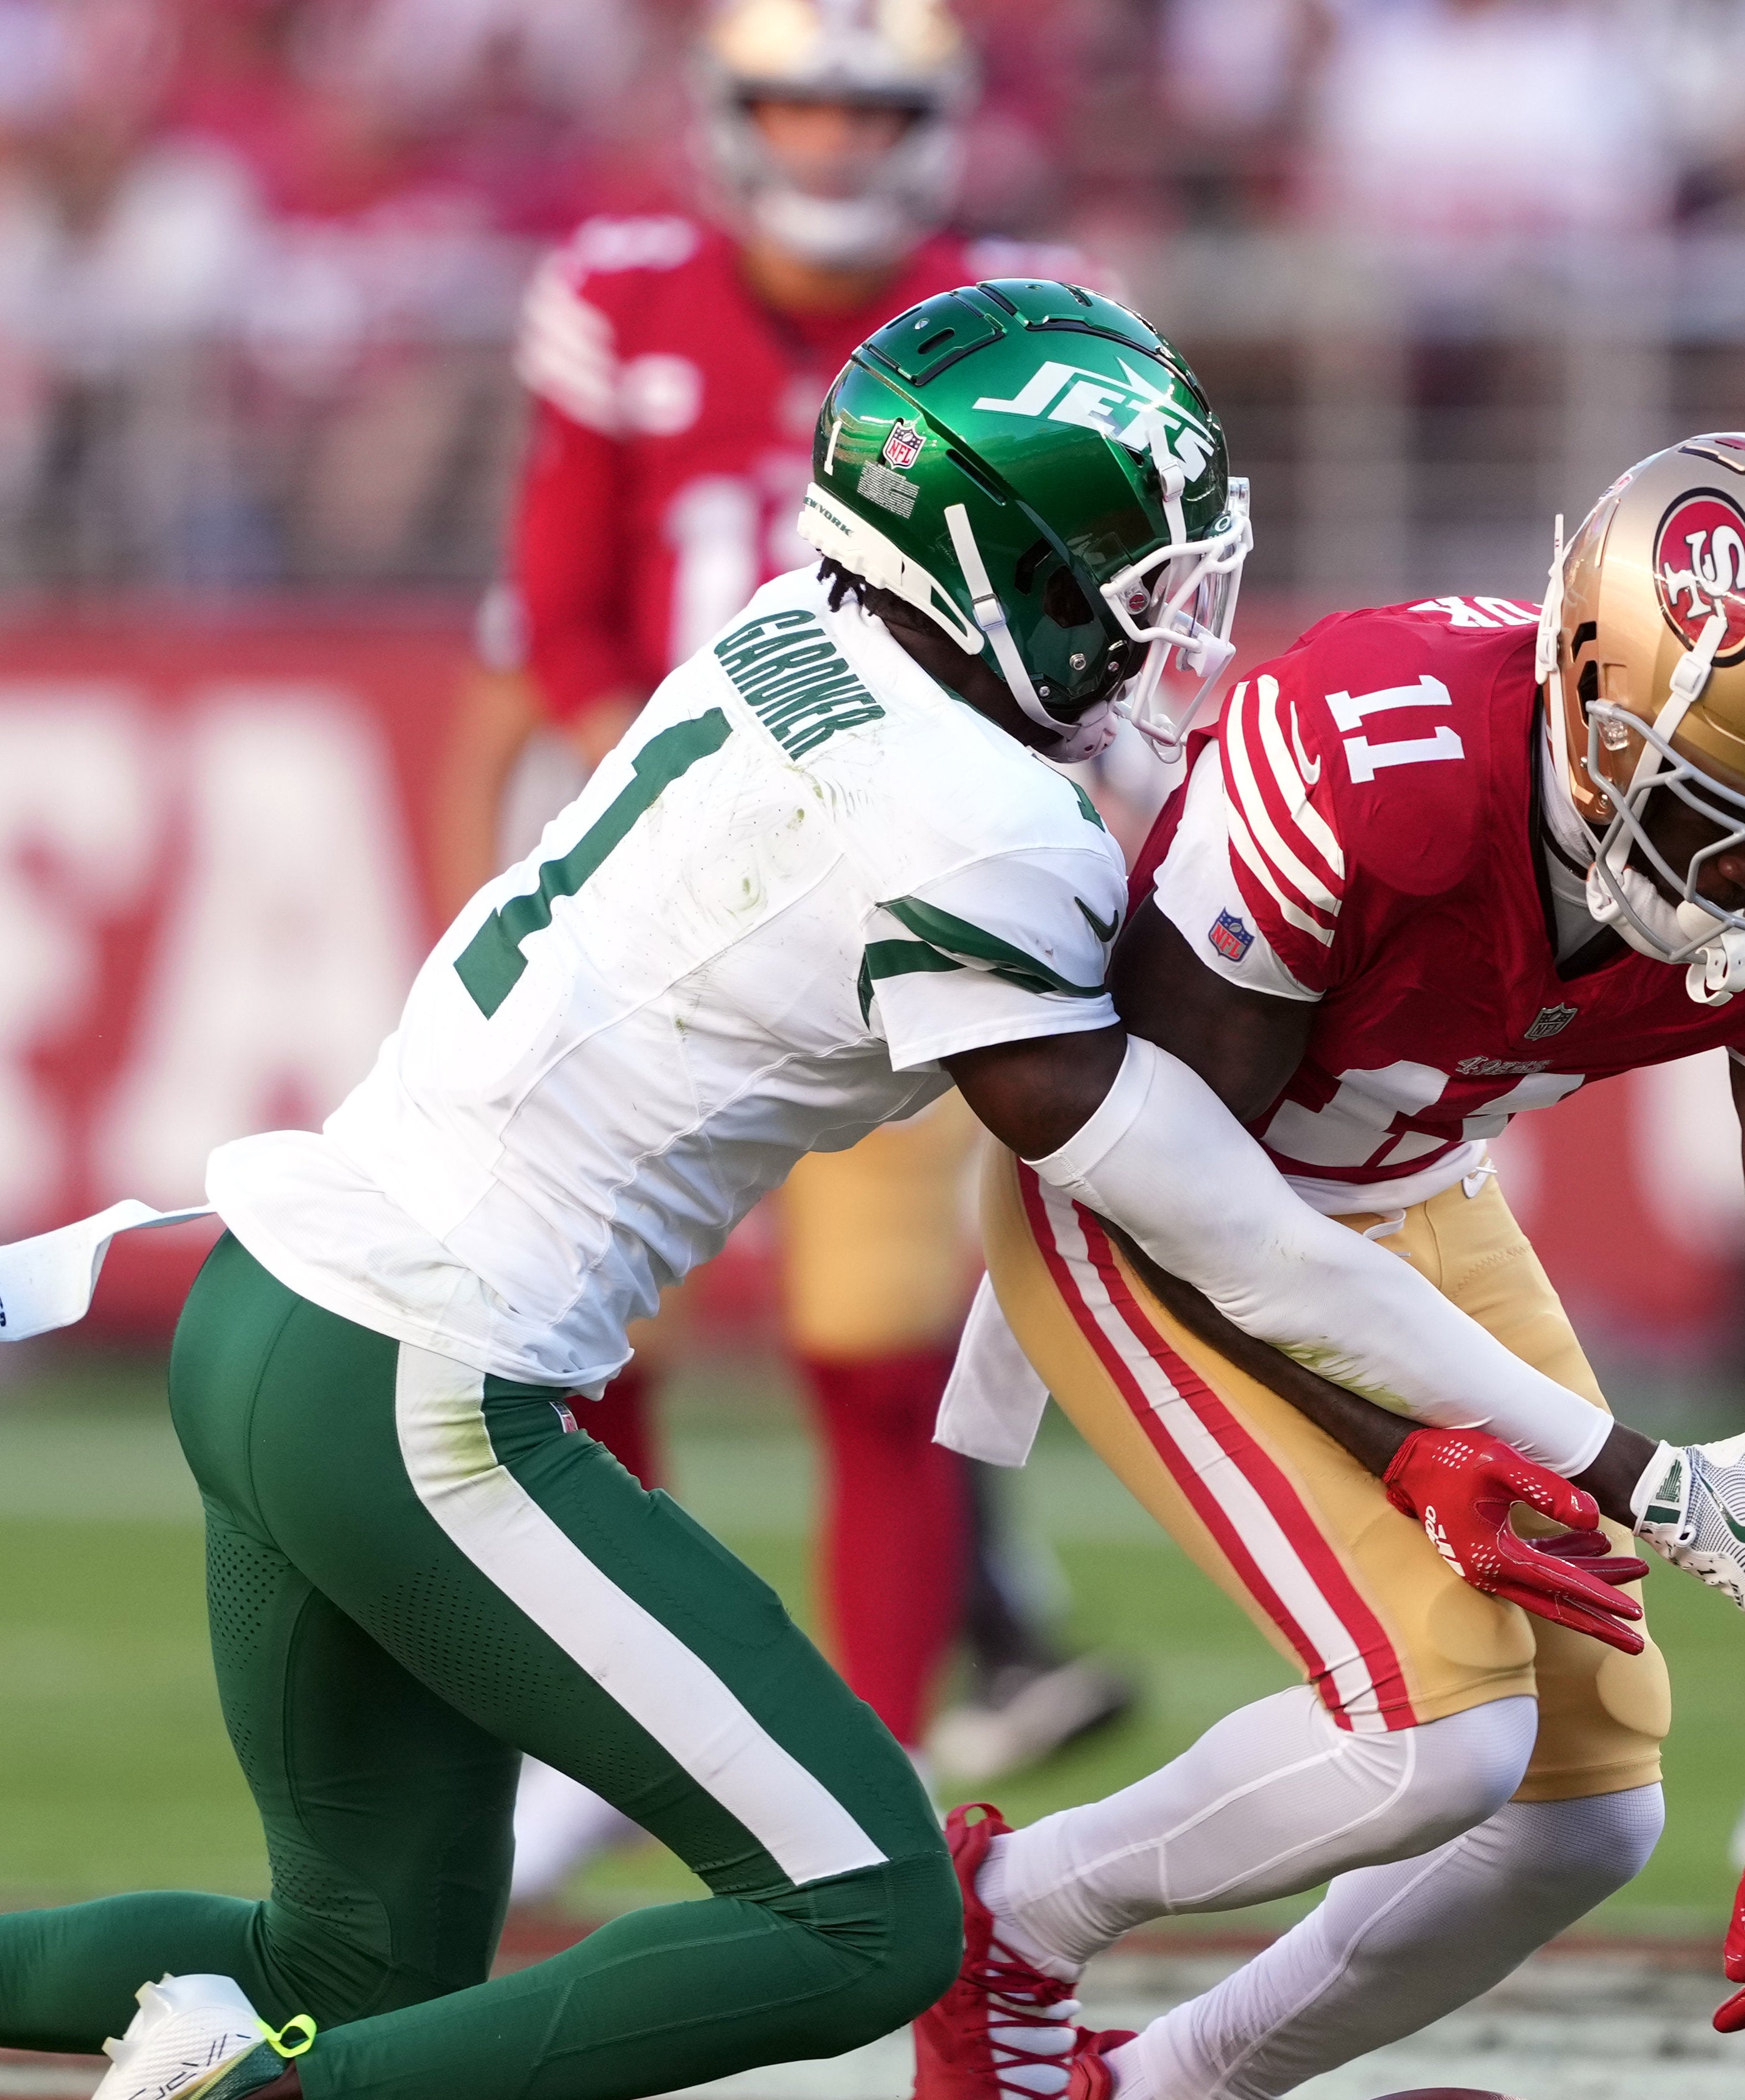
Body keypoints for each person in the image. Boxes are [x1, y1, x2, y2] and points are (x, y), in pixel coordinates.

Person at [0, 278, 1745, 2100]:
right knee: (869, 1915)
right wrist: (1619, 1462)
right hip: (425, 1384)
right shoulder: (974, 834)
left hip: (276, 1313)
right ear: (995, 577)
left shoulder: (802, 635)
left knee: (352, 1957)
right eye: (1127, 590)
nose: (1162, 637)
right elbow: (1216, 1215)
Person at [912, 434, 1745, 2100]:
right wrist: (1401, 1442)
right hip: (1150, 1215)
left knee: (1585, 1810)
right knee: (1436, 1728)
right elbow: (1176, 1185)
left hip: (1403, 1192)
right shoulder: (1377, 759)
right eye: (1723, 816)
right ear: (1591, 704)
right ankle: (1005, 1916)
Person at [452, 0, 1131, 1878]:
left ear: (932, 125)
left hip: (909, 875)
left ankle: (876, 1765)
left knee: (875, 1354)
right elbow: (556, 626)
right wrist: (687, 786)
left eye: (869, 114)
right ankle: (618, 1717)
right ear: (734, 115)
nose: (831, 147)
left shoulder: (1021, 316)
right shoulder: (621, 294)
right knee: (576, 1331)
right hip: (663, 873)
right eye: (800, 109)